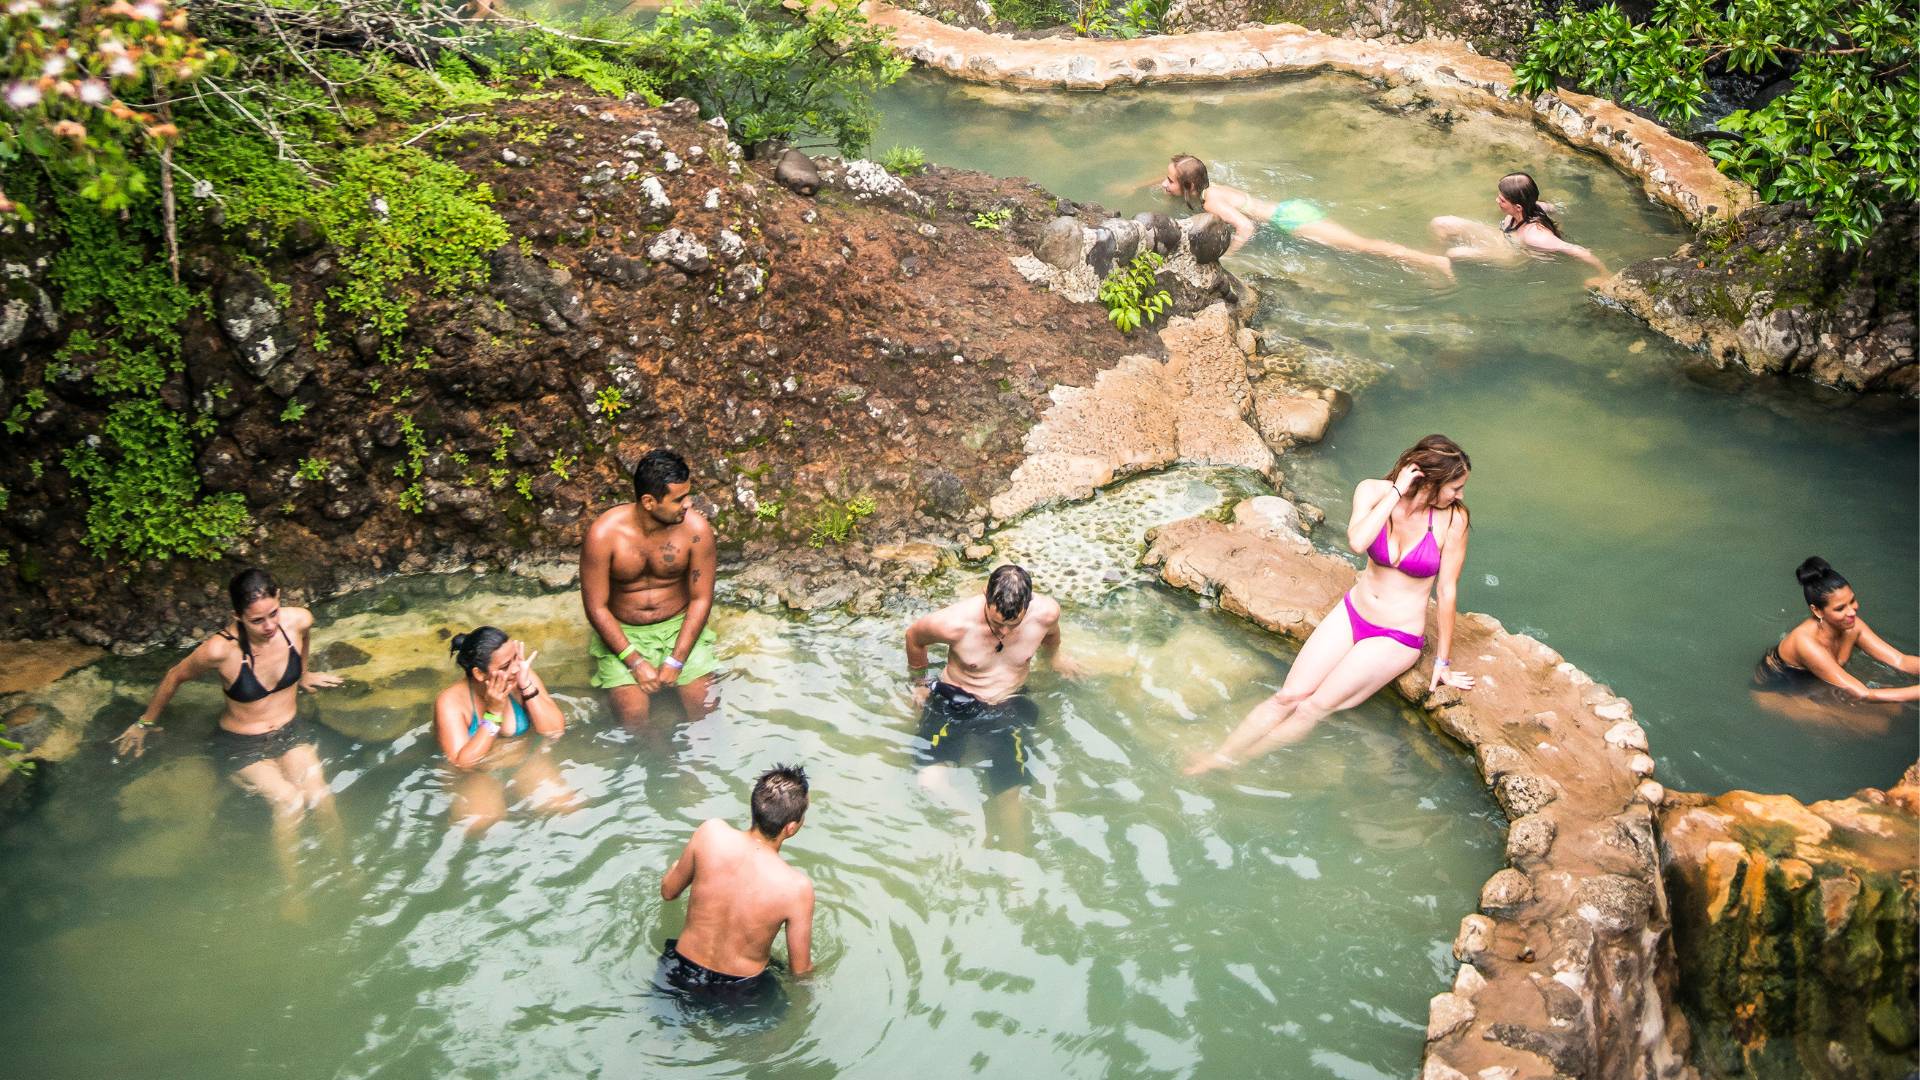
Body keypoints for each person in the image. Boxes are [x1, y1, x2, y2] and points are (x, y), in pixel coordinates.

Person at [1186, 435, 1478, 775]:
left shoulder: (1453, 520)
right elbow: (1357, 542)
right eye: (1455, 487)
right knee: (1287, 697)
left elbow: (1447, 590)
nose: (1460, 495)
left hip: (1396, 635)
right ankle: (1218, 756)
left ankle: (1231, 766)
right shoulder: (1373, 492)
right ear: (1428, 480)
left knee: (1312, 707)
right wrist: (1396, 492)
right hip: (1353, 613)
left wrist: (1442, 660)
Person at [112, 568, 346, 896]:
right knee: (290, 802)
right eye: (257, 621)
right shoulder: (219, 651)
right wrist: (144, 722)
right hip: (241, 743)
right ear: (237, 616)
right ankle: (293, 896)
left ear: (280, 600)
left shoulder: (299, 620)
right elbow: (174, 675)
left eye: (273, 614)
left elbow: (305, 639)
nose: (269, 626)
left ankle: (346, 872)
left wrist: (303, 674)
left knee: (321, 797)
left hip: (290, 730)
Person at [904, 565, 1084, 805]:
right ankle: (966, 820)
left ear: (1028, 605)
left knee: (1012, 789)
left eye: (1013, 624)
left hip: (1009, 702)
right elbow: (914, 638)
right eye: (996, 622)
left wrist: (1055, 658)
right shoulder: (953, 623)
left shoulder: (1046, 614)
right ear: (984, 595)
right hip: (957, 699)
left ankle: (1002, 837)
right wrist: (921, 683)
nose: (1004, 631)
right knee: (929, 783)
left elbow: (1051, 635)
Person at [580, 448, 720, 728]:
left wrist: (677, 660)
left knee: (704, 710)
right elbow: (596, 607)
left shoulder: (696, 531)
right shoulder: (603, 535)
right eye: (679, 499)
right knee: (632, 717)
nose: (688, 504)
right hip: (624, 632)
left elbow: (701, 599)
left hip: (678, 627)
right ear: (648, 501)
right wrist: (634, 661)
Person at [657, 764, 816, 1002]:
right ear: (791, 827)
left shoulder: (710, 833)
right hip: (740, 990)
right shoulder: (797, 888)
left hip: (678, 971)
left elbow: (668, 892)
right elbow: (800, 972)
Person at [1161, 153, 1454, 279]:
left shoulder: (1211, 203)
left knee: (1363, 246)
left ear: (1189, 187)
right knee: (1359, 245)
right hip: (1291, 209)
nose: (1164, 184)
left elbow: (1246, 227)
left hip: (1294, 222)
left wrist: (1228, 257)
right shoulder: (1209, 187)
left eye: (1169, 181)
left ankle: (1433, 262)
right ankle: (1429, 259)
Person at [432, 626, 576, 834]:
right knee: (479, 826)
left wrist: (526, 685)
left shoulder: (521, 675)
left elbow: (554, 730)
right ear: (479, 674)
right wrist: (493, 714)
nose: (516, 668)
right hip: (479, 774)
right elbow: (462, 762)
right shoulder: (451, 702)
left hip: (526, 760)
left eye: (517, 658)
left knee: (569, 810)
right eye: (507, 665)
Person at [1751, 558, 1919, 730]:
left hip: (1813, 684)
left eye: (1852, 601)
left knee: (1897, 709)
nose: (1852, 611)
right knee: (1877, 725)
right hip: (1779, 695)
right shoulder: (1806, 644)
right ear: (1816, 610)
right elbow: (1863, 694)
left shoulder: (1851, 625)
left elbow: (1901, 661)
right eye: (1840, 608)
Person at [1429, 172, 1609, 283]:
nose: (1497, 201)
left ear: (1518, 207)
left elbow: (1578, 250)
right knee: (1441, 223)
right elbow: (1554, 209)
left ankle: (1443, 269)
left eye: (1502, 200)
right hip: (1502, 237)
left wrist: (1604, 274)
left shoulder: (1535, 235)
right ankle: (1435, 259)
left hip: (1512, 255)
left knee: (1454, 254)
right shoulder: (1534, 206)